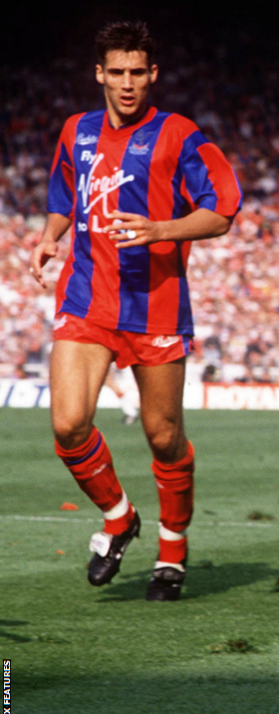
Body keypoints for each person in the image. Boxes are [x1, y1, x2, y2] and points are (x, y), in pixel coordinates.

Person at [30, 21, 242, 601]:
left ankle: (172, 552)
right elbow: (61, 196)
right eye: (116, 72)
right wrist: (51, 236)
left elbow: (222, 210)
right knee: (69, 424)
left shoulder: (179, 135)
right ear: (99, 73)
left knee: (163, 435)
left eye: (137, 72)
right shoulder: (76, 131)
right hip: (86, 300)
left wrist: (162, 229)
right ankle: (120, 519)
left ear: (153, 74)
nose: (127, 84)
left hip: (156, 306)